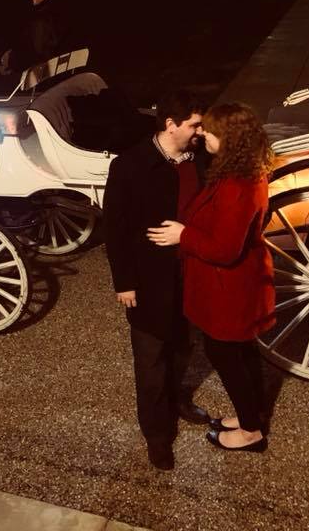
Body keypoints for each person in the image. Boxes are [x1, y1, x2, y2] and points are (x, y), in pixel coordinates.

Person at [147, 102, 276, 453]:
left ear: (229, 139)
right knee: (242, 352)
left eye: (211, 130)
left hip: (228, 288)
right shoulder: (244, 170)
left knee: (225, 354)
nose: (203, 133)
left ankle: (251, 432)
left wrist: (183, 236)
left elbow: (225, 249)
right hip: (238, 284)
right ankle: (252, 413)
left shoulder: (238, 184)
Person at [102, 89, 211, 471]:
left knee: (182, 346)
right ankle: (157, 435)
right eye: (195, 124)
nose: (200, 131)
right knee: (150, 361)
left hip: (189, 275)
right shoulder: (130, 166)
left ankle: (176, 400)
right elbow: (114, 230)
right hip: (148, 281)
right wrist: (124, 283)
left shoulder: (198, 160)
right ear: (171, 124)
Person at [0, 0, 72, 78]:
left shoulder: (43, 17)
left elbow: (35, 53)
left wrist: (10, 60)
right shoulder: (68, 9)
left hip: (52, 81)